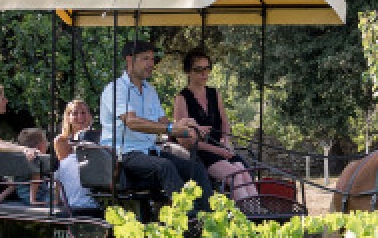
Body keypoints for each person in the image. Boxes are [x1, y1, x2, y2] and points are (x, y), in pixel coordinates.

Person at [98, 40, 213, 213]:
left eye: (152, 59)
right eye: (145, 59)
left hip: (150, 151)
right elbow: (132, 121)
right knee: (164, 166)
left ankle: (209, 216)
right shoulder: (115, 90)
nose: (151, 64)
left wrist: (185, 124)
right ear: (129, 60)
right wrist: (169, 129)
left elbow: (163, 122)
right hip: (123, 155)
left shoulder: (150, 90)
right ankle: (190, 218)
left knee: (194, 167)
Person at [172, 48, 259, 202]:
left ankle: (259, 213)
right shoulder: (181, 98)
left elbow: (224, 123)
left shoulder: (214, 93)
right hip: (200, 152)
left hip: (220, 148)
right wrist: (217, 149)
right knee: (235, 177)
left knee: (244, 172)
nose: (204, 74)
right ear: (188, 72)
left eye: (207, 68)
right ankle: (247, 217)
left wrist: (225, 141)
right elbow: (184, 140)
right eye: (198, 70)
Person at [13, 128, 53, 206]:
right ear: (40, 146)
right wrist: (33, 200)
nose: (47, 144)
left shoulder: (20, 160)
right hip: (39, 197)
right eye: (46, 142)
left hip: (23, 196)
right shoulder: (36, 158)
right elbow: (36, 177)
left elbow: (14, 184)